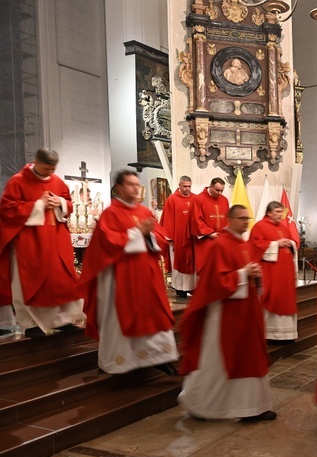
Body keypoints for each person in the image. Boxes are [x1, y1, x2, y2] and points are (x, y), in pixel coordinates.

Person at [178, 205, 276, 422]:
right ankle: (203, 405)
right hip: (225, 316)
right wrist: (244, 274)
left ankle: (254, 407)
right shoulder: (220, 244)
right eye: (241, 218)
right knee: (222, 362)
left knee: (250, 357)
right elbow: (216, 282)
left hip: (247, 312)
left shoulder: (244, 244)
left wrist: (255, 275)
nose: (245, 222)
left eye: (247, 218)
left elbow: (247, 273)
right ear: (229, 220)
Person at [79, 170, 177, 375]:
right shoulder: (111, 213)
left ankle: (158, 357)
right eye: (131, 184)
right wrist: (137, 233)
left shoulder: (144, 212)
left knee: (153, 315)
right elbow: (107, 242)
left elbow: (160, 237)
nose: (135, 188)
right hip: (122, 278)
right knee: (121, 317)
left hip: (147, 276)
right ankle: (118, 361)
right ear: (120, 188)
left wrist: (149, 233)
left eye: (137, 184)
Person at [0, 148, 84, 337]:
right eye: (47, 169)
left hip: (55, 240)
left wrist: (59, 203)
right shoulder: (17, 182)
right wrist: (39, 205)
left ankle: (62, 321)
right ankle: (31, 324)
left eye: (53, 169)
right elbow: (7, 209)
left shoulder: (57, 181)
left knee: (60, 281)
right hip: (29, 243)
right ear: (36, 162)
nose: (50, 173)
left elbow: (68, 204)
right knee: (29, 283)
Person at [249, 201, 298, 342]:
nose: (280, 215)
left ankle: (287, 335)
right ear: (269, 212)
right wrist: (277, 244)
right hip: (271, 272)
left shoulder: (283, 227)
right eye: (277, 212)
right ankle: (272, 335)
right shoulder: (260, 226)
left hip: (285, 273)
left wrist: (290, 244)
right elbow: (256, 246)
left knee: (286, 298)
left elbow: (291, 242)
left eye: (281, 212)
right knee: (274, 298)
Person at [160, 176, 197, 297]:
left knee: (192, 263)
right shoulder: (172, 200)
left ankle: (192, 287)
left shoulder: (195, 199)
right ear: (179, 185)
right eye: (185, 186)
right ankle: (179, 288)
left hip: (192, 239)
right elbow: (167, 219)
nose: (187, 189)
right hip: (177, 239)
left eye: (189, 186)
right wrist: (170, 238)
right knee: (178, 263)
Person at [190, 178, 229, 276]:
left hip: (221, 240)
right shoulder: (198, 199)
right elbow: (196, 220)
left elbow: (228, 219)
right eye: (217, 190)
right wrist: (210, 233)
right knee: (207, 270)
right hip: (205, 240)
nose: (220, 193)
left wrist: (225, 234)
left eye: (222, 190)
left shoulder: (224, 200)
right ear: (210, 186)